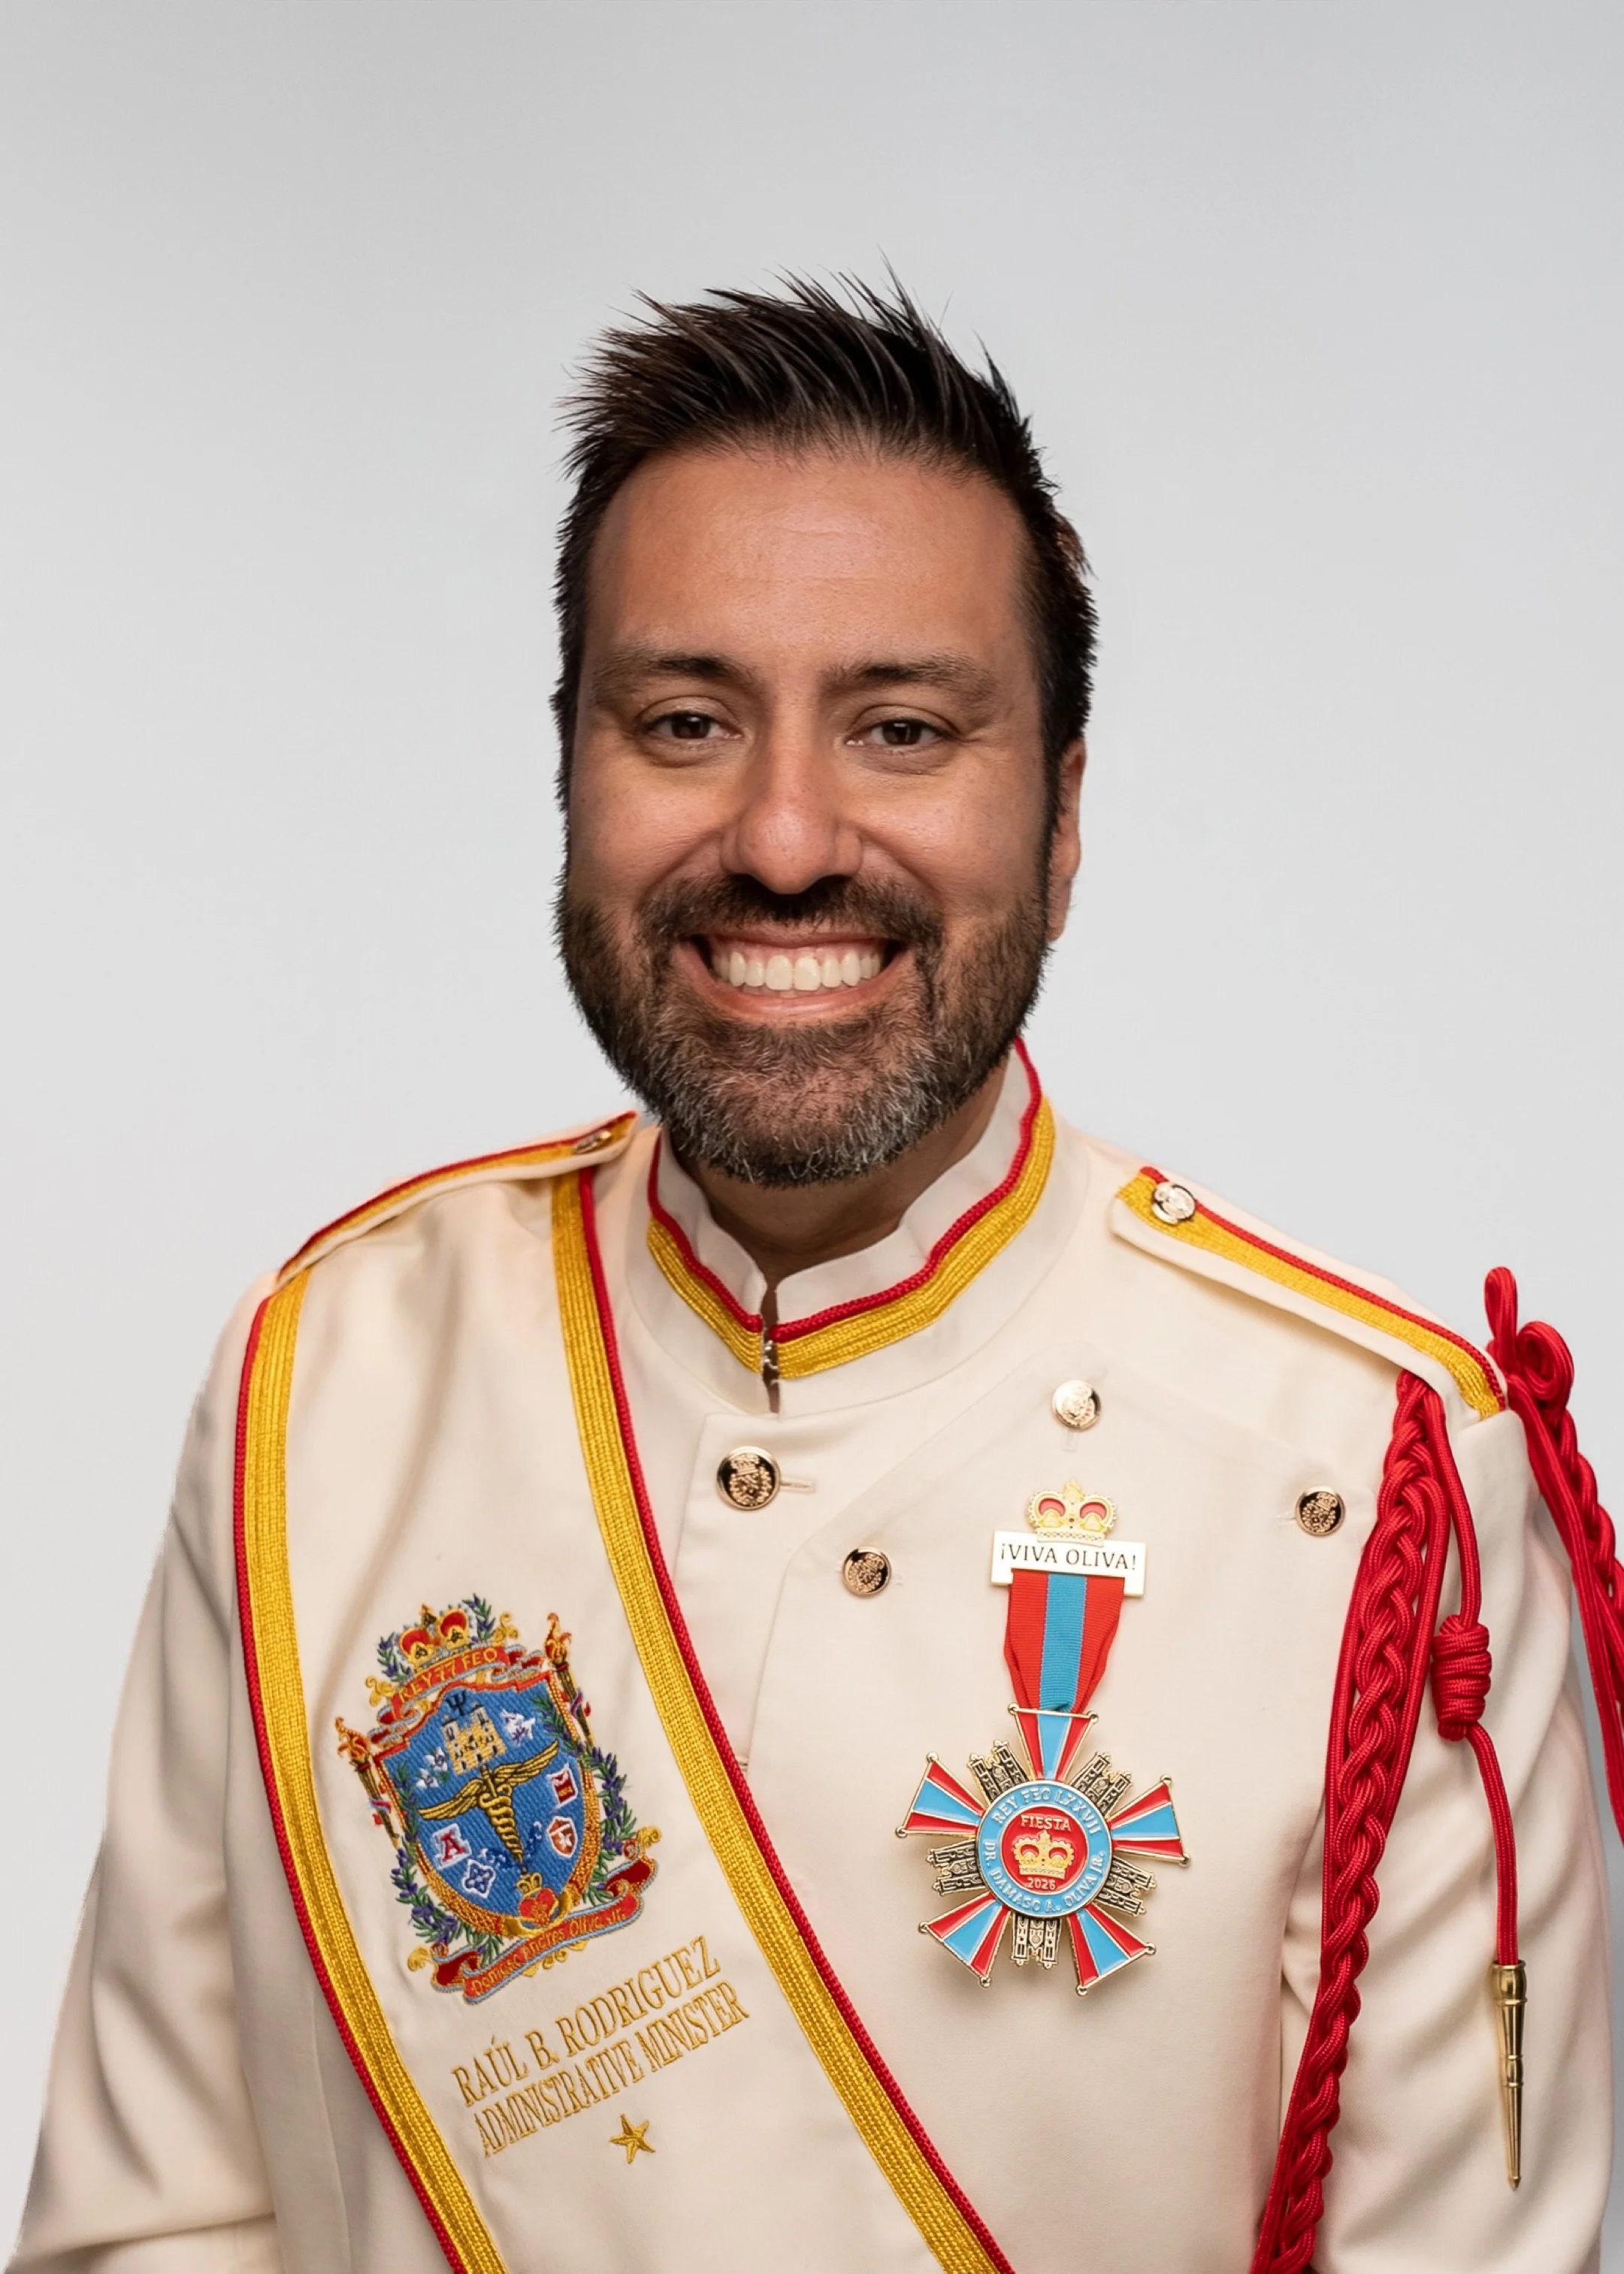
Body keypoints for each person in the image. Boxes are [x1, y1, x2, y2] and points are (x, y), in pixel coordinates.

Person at [11, 277, 1621, 2274]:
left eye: (902, 729)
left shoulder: (1373, 1482)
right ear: (570, 771)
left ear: (1066, 810)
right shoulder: (322, 1379)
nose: (783, 837)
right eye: (685, 722)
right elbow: (154, 2230)